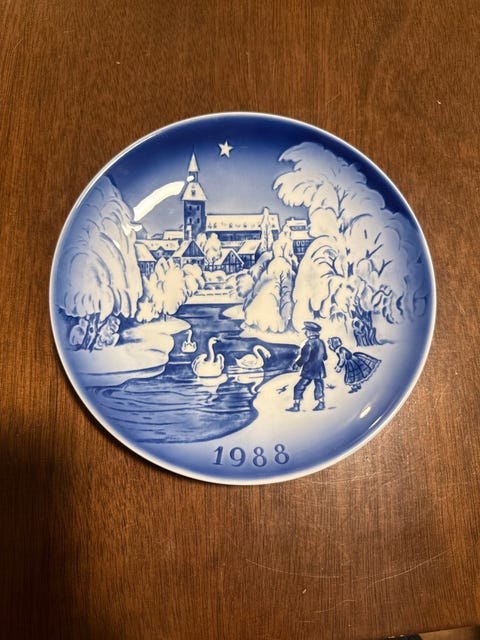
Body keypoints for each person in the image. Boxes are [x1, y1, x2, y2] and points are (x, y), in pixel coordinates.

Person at [287, 321, 328, 412]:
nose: (305, 333)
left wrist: (297, 364)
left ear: (310, 332)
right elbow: (325, 357)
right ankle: (321, 404)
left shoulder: (309, 343)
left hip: (310, 370)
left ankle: (296, 405)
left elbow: (305, 358)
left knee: (299, 387)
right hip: (319, 369)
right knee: (319, 386)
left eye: (306, 331)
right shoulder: (321, 342)